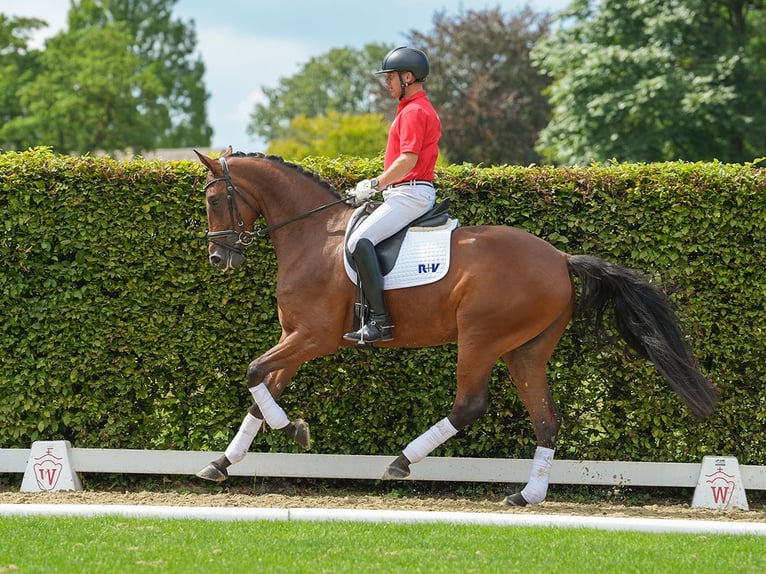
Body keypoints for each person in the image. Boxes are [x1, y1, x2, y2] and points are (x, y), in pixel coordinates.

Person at [344, 46, 442, 344]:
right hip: (403, 193)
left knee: (359, 241)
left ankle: (380, 322)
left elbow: (407, 161)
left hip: (409, 194)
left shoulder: (414, 111)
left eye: (391, 77)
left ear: (408, 77)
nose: (387, 83)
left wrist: (374, 184)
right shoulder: (411, 109)